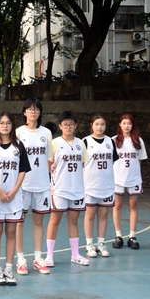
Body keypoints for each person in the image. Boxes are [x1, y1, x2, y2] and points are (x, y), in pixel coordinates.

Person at [0, 112, 30, 287]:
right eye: (2, 123)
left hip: (14, 196)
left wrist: (14, 190)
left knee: (11, 233)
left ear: (12, 125)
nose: (5, 126)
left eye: (8, 123)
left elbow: (23, 170)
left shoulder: (19, 145)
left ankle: (9, 269)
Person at [45, 111, 89, 267]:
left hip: (77, 188)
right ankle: (49, 256)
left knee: (73, 221)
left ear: (75, 126)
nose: (68, 127)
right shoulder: (55, 143)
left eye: (71, 124)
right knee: (54, 220)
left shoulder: (80, 143)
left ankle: (75, 255)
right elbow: (49, 165)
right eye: (65, 124)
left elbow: (83, 163)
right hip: (60, 189)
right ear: (60, 126)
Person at [15, 99, 52, 275]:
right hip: (23, 184)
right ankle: (20, 259)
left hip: (42, 184)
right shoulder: (19, 132)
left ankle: (38, 258)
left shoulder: (46, 132)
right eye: (30, 109)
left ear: (40, 112)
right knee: (19, 222)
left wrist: (45, 175)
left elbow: (50, 158)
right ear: (24, 112)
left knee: (38, 221)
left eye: (36, 109)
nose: (33, 112)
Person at [82, 114, 118, 258]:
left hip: (106, 184)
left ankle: (101, 244)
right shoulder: (85, 141)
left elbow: (113, 161)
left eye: (102, 124)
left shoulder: (110, 141)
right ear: (92, 125)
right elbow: (81, 163)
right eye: (97, 124)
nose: (99, 127)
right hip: (90, 185)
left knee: (103, 215)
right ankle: (89, 244)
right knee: (90, 215)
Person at [112, 113, 147, 250]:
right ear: (120, 124)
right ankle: (118, 235)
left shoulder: (138, 140)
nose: (126, 126)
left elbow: (140, 160)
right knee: (117, 206)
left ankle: (132, 236)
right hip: (117, 178)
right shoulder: (113, 140)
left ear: (133, 125)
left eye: (129, 123)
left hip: (133, 178)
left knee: (133, 205)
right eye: (124, 123)